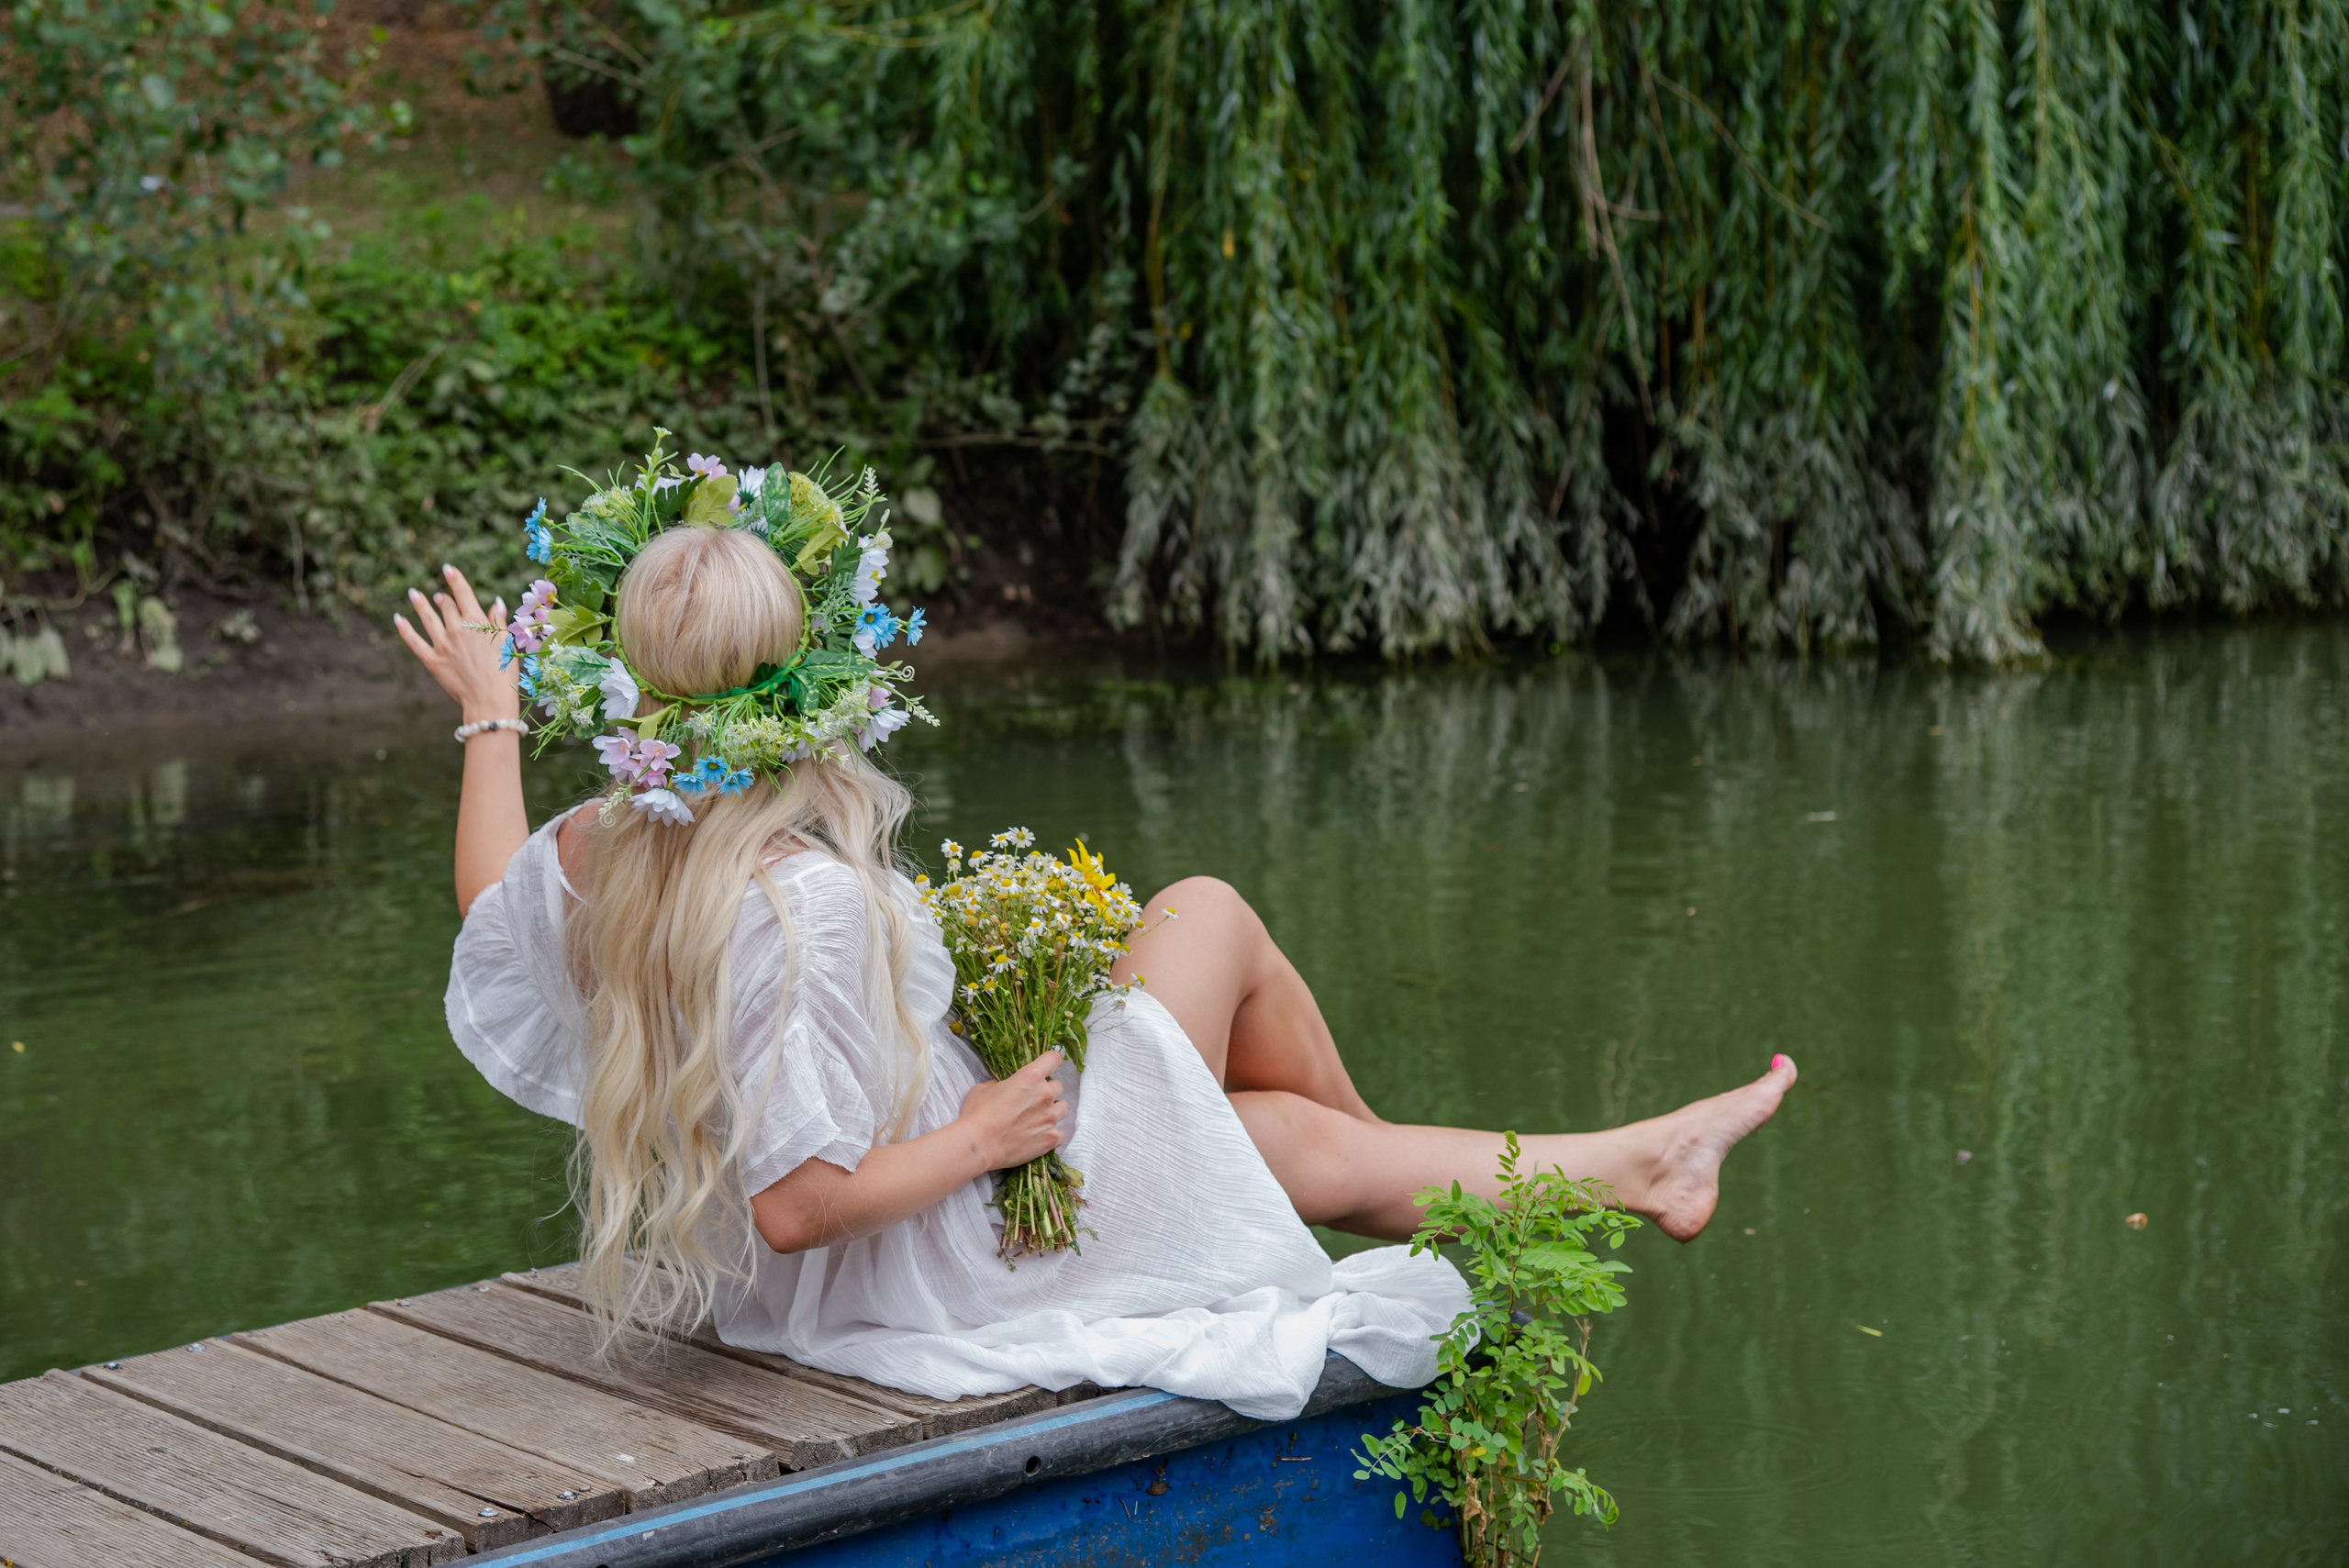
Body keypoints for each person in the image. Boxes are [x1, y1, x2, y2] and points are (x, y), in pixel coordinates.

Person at [396, 525, 1797, 1421]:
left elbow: (489, 899)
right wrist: (982, 1133)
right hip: (939, 1251)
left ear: (641, 682)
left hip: (875, 1250)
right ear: (802, 679)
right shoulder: (799, 904)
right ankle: (1532, 1165)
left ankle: (1632, 1162)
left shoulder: (607, 843)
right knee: (1209, 912)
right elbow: (799, 1205)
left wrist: (492, 719)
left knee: (1278, 1135)